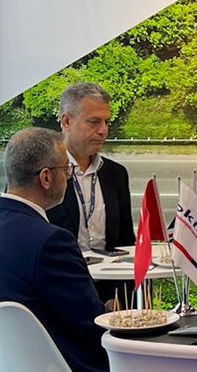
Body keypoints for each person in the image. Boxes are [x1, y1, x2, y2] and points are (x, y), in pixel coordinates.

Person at [0, 126, 111, 372]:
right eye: (66, 170)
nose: (69, 177)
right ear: (45, 177)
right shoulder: (50, 241)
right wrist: (120, 317)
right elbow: (93, 328)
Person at [46, 81, 134, 256]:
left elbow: (126, 242)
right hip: (60, 271)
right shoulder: (41, 172)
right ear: (66, 121)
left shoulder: (116, 174)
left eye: (107, 122)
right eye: (94, 122)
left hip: (110, 273)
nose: (103, 131)